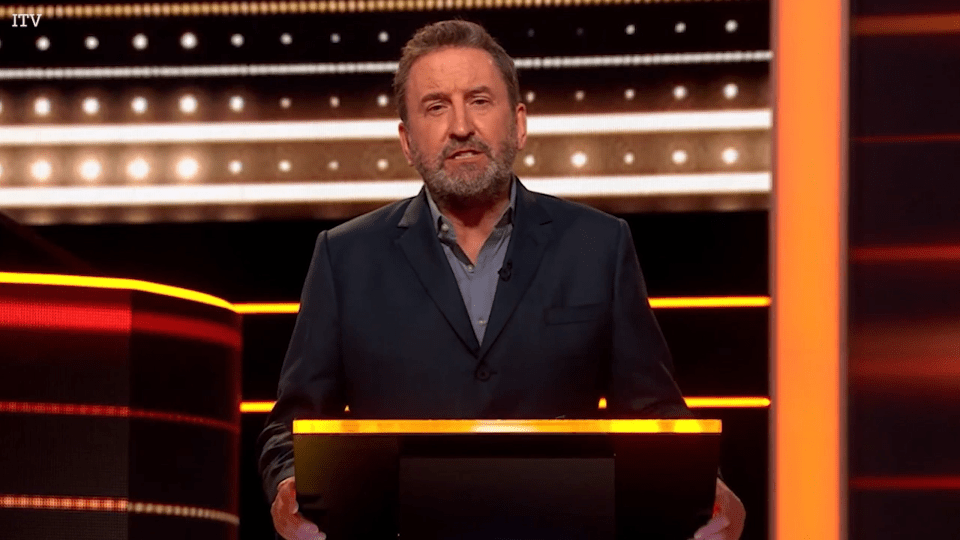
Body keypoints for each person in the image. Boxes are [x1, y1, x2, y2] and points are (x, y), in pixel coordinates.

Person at [258, 19, 746, 540]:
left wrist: (705, 487)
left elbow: (654, 416)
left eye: (480, 100)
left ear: (518, 123)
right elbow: (292, 427)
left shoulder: (598, 246)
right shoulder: (345, 257)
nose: (461, 126)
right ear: (406, 140)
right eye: (436, 106)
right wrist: (290, 483)